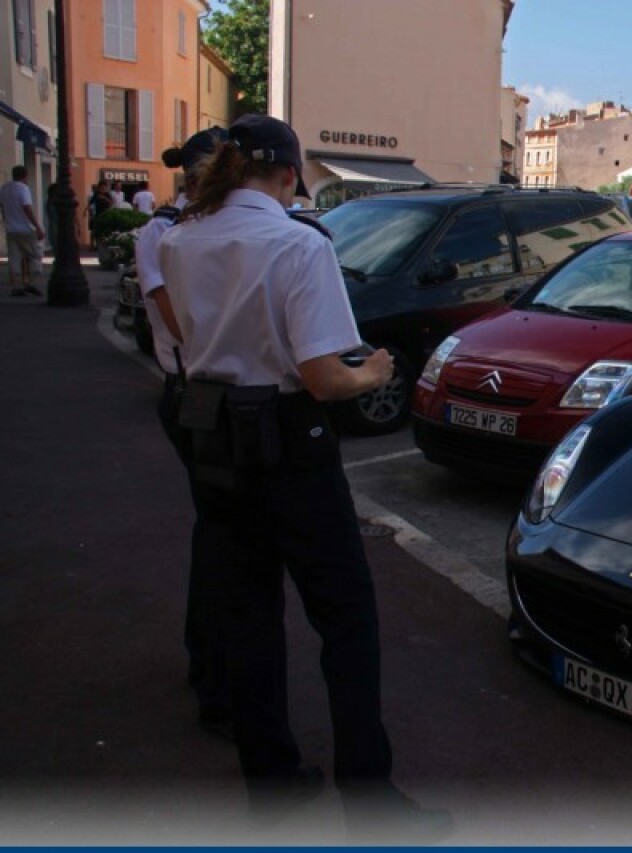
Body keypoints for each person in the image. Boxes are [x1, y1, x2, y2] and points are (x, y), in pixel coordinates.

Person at [158, 114, 450, 839]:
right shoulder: (297, 242)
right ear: (290, 174)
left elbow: (189, 338)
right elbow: (322, 375)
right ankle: (369, 797)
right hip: (289, 439)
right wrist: (375, 371)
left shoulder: (179, 238)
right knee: (346, 616)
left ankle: (274, 781)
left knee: (248, 615)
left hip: (214, 436)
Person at [136, 128, 233, 743]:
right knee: (222, 536)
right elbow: (182, 324)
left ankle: (216, 669)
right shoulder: (165, 235)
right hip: (197, 391)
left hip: (205, 392)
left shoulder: (194, 233)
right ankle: (214, 677)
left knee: (223, 533)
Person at [0, 166, 46, 297]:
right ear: (25, 176)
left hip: (11, 229)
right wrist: (37, 227)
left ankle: (17, 286)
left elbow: (2, 207)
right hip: (25, 229)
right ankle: (28, 283)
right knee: (35, 256)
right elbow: (27, 208)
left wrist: (6, 221)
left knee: (14, 258)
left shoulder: (4, 188)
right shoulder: (23, 189)